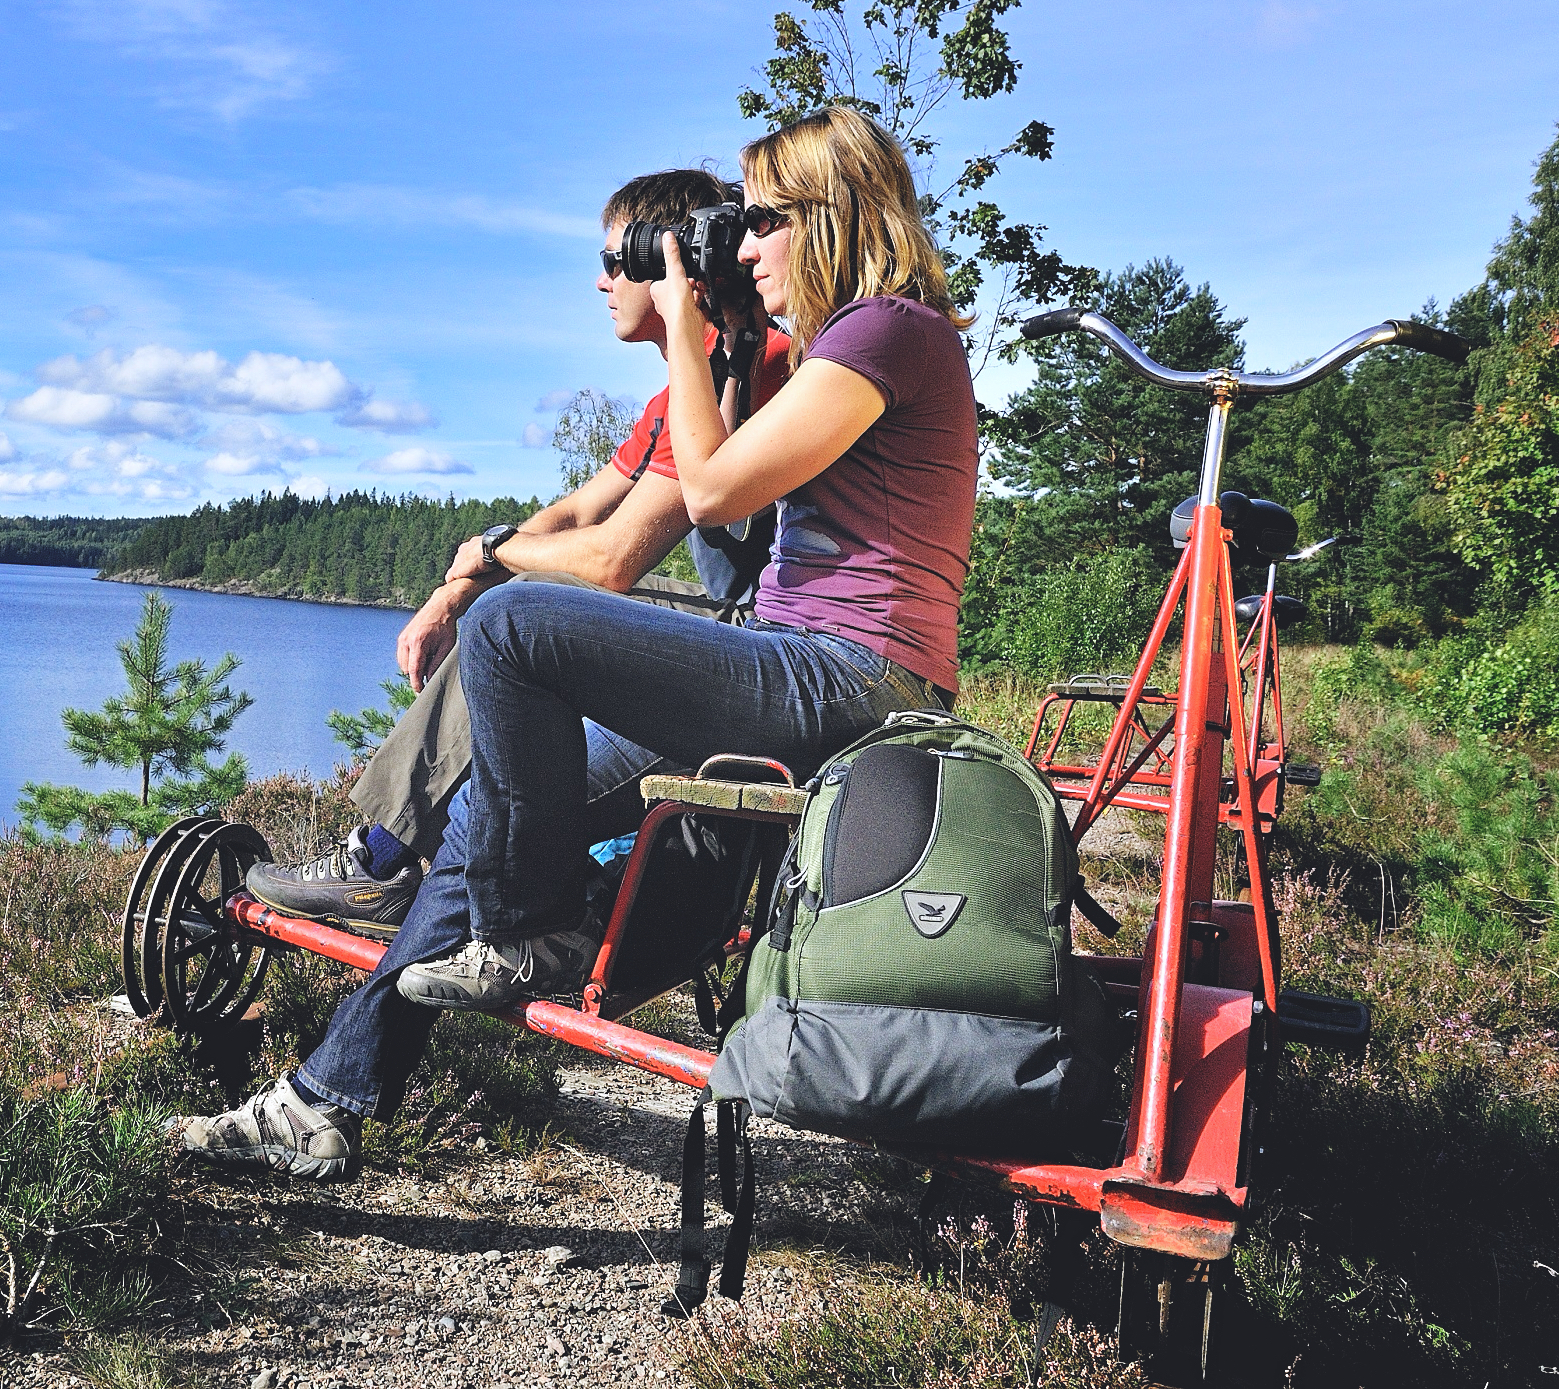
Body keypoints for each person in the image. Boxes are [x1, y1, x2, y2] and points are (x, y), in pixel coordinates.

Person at [170, 108, 976, 1178]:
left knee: (510, 624)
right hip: (807, 667)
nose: (742, 247)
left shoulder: (888, 329)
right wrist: (716, 341)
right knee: (482, 814)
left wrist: (687, 326)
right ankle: (324, 1097)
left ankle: (526, 925)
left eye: (763, 222)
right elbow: (719, 515)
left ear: (831, 213)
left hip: (852, 677)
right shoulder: (854, 338)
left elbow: (715, 490)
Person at [240, 168, 794, 940]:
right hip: (737, 634)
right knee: (512, 607)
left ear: (663, 261)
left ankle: (382, 864)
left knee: (521, 616)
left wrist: (495, 561)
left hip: (759, 656)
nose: (600, 282)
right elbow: (579, 509)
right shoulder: (679, 393)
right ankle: (394, 858)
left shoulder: (752, 365)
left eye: (614, 258)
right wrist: (454, 589)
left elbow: (611, 562)